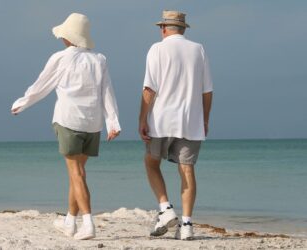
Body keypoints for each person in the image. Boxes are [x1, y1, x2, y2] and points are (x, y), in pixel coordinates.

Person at [11, 13, 121, 240]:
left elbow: (42, 84)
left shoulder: (60, 58)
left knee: (77, 174)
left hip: (69, 121)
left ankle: (88, 224)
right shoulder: (99, 59)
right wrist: (113, 122)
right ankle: (70, 222)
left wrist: (22, 103)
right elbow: (107, 92)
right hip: (93, 125)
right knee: (77, 174)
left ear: (68, 37)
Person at [138, 10, 213, 240]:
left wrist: (142, 119)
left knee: (151, 163)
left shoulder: (156, 49)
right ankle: (187, 224)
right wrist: (205, 119)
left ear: (163, 28)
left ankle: (166, 208)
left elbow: (150, 89)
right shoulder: (198, 49)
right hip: (191, 120)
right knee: (187, 169)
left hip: (161, 119)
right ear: (183, 28)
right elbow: (207, 90)